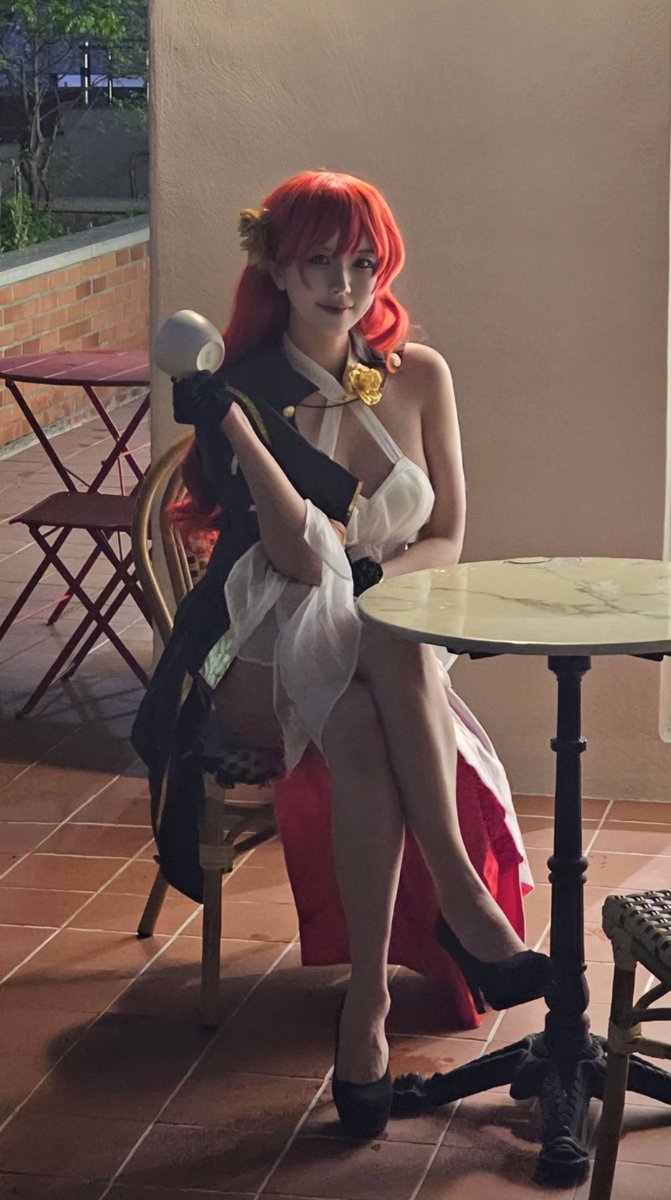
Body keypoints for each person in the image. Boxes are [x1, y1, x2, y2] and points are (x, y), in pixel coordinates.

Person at [132, 169, 552, 1140]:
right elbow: (291, 557)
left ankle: (364, 1007)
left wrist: (380, 587)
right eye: (319, 260)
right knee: (388, 642)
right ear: (276, 270)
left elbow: (446, 535)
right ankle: (461, 898)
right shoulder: (239, 389)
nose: (344, 282)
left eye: (363, 261)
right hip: (249, 645)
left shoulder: (419, 374)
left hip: (373, 645)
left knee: (368, 699)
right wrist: (232, 422)